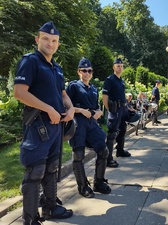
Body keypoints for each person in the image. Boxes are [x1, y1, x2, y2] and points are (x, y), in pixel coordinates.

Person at [13, 21, 74, 225]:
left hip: (55, 128)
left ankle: (50, 208)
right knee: (35, 173)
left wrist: (71, 107)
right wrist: (48, 108)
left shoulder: (56, 68)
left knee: (51, 169)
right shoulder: (30, 61)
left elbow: (63, 95)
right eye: (46, 39)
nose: (50, 43)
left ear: (58, 44)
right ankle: (30, 220)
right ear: (37, 39)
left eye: (54, 40)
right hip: (38, 127)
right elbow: (19, 92)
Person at [66, 58, 111, 198]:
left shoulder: (93, 88)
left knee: (103, 150)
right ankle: (83, 186)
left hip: (91, 122)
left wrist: (99, 112)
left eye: (89, 71)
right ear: (79, 72)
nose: (87, 73)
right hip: (78, 122)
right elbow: (66, 105)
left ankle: (98, 182)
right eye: (84, 70)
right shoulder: (73, 86)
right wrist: (80, 111)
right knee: (79, 155)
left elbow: (96, 106)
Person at [102, 58, 131, 168]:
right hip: (115, 109)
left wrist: (128, 107)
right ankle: (108, 159)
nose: (120, 67)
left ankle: (120, 151)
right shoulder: (110, 79)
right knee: (112, 133)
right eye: (118, 66)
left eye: (121, 66)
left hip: (123, 109)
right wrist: (109, 109)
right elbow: (104, 97)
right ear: (113, 67)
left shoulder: (121, 80)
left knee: (122, 131)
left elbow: (122, 95)